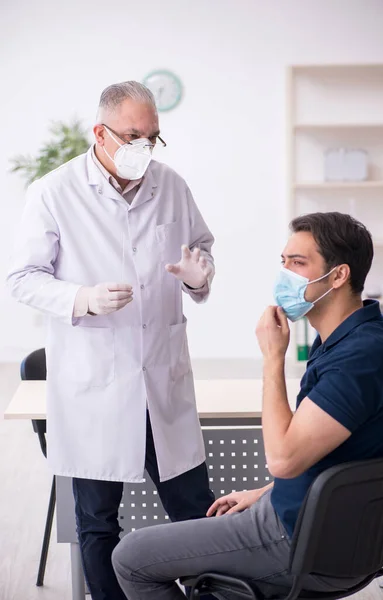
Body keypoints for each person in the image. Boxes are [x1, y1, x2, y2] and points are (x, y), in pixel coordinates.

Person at [112, 211, 383, 599]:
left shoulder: (360, 359)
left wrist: (272, 359)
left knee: (131, 557)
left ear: (338, 276)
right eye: (283, 262)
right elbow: (340, 456)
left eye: (298, 264)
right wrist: (265, 492)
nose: (284, 274)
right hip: (324, 523)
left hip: (300, 539)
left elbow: (284, 460)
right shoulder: (365, 338)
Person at [7, 81, 216, 600]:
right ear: (99, 133)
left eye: (153, 136)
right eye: (132, 135)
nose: (144, 147)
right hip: (95, 386)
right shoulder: (54, 192)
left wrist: (197, 275)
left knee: (196, 513)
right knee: (98, 523)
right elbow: (21, 278)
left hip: (161, 382)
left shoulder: (171, 185)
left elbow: (202, 253)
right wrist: (82, 298)